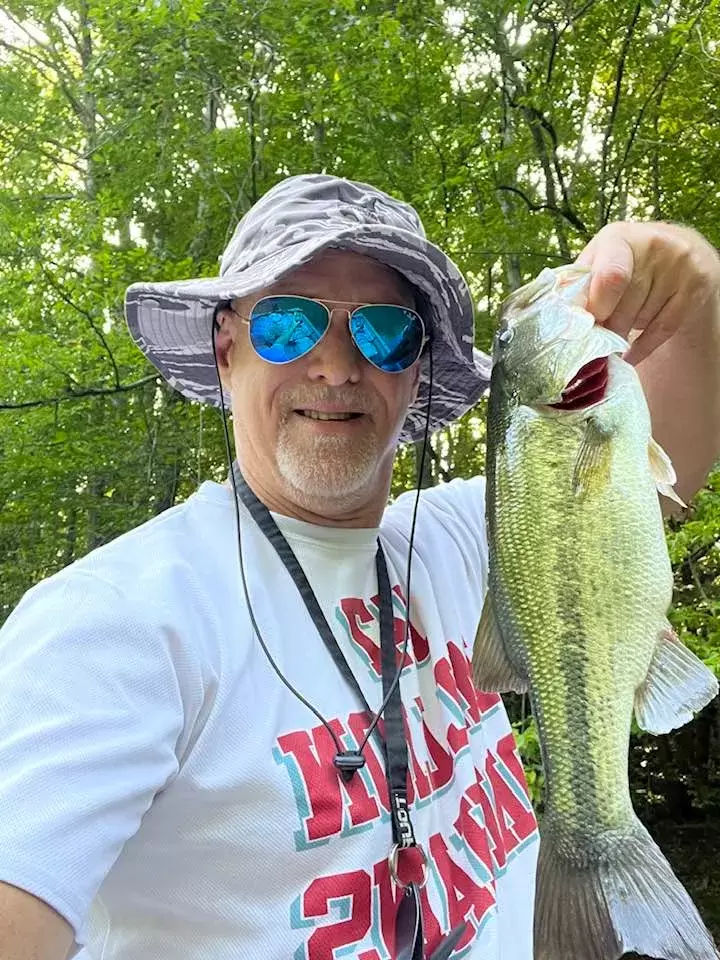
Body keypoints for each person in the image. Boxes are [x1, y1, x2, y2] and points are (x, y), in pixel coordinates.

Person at [0, 174, 718, 960]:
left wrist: (694, 275)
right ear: (226, 345)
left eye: (383, 333)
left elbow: (668, 447)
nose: (336, 366)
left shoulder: (485, 535)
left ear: (417, 372)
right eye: (286, 324)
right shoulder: (113, 623)